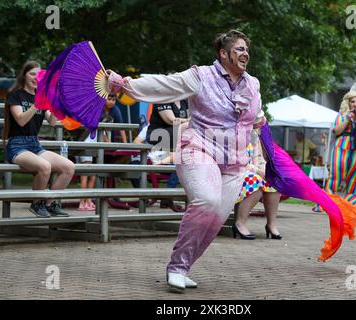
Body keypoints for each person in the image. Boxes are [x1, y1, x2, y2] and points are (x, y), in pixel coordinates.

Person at [107, 29, 265, 292]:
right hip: (198, 147)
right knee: (206, 200)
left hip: (234, 160)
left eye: (246, 49)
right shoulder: (200, 76)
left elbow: (257, 121)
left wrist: (261, 155)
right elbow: (163, 85)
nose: (245, 53)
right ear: (223, 54)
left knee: (216, 219)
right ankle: (177, 268)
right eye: (238, 49)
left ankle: (185, 265)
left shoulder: (253, 84)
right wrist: (124, 84)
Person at [3, 61, 75, 218]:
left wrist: (56, 103)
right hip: (17, 145)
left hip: (34, 145)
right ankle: (36, 204)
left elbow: (53, 122)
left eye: (39, 74)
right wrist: (38, 103)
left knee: (69, 167)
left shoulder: (42, 97)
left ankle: (50, 204)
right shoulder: (16, 95)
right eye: (32, 74)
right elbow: (21, 120)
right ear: (24, 76)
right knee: (45, 167)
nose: (36, 77)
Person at [314, 82, 356, 211]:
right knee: (335, 177)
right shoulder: (341, 115)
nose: (355, 104)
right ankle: (326, 204)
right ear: (348, 103)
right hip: (342, 147)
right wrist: (348, 118)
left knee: (354, 179)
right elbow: (336, 131)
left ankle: (349, 206)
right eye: (352, 101)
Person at [233, 132, 282, 240]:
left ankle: (271, 225)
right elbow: (236, 162)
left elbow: (259, 159)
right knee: (255, 180)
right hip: (234, 172)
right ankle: (240, 223)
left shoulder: (254, 135)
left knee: (273, 182)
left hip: (251, 171)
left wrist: (267, 172)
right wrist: (258, 171)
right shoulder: (232, 132)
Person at [147, 99, 189, 211]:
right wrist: (188, 121)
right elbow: (171, 120)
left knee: (185, 159)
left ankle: (168, 195)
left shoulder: (185, 101)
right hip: (159, 136)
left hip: (175, 140)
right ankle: (168, 194)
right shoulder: (163, 98)